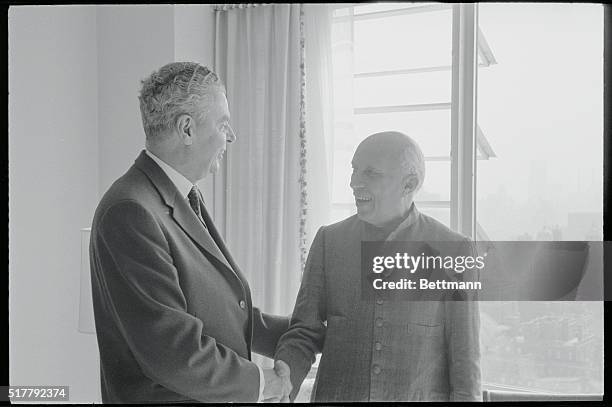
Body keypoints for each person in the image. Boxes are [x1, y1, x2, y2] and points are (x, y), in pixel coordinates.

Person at [89, 62, 291, 403]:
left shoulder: (179, 195)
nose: (232, 136)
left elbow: (219, 309)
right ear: (187, 130)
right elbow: (174, 352)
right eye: (224, 123)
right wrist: (263, 383)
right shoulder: (131, 211)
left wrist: (296, 333)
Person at [274, 131, 481, 402]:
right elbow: (304, 331)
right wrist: (283, 378)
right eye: (354, 169)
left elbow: (465, 366)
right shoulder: (329, 241)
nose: (353, 182)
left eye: (370, 173)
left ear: (409, 184)